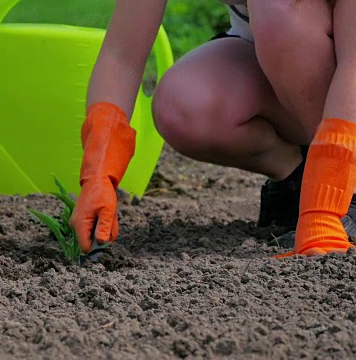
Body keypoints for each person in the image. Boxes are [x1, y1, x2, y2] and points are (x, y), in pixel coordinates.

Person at [69, 0, 356, 256]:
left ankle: (344, 191)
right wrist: (100, 175)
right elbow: (121, 57)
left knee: (276, 9)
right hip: (290, 47)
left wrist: (325, 209)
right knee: (182, 105)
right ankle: (302, 177)